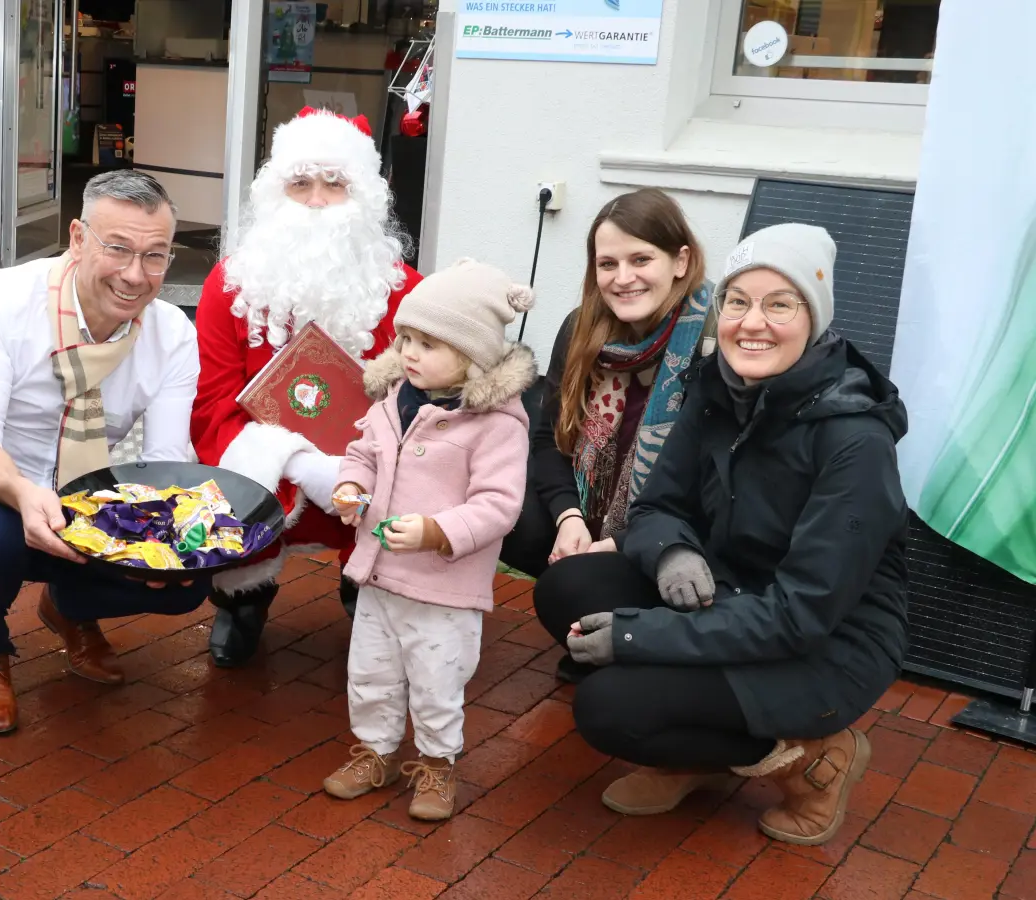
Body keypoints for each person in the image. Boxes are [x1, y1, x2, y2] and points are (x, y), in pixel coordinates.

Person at [537, 224, 906, 847]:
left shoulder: (854, 441)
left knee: (609, 708)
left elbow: (801, 614)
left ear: (813, 317)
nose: (752, 323)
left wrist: (638, 634)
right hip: (728, 589)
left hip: (825, 643)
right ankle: (696, 757)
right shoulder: (714, 389)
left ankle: (813, 760)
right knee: (566, 588)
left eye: (779, 304)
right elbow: (655, 506)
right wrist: (672, 551)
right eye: (738, 301)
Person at [0, 170, 209, 735]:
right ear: (78, 239)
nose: (135, 275)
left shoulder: (172, 332)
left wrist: (176, 535)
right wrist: (26, 495)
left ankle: (70, 607)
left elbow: (169, 456)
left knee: (189, 581)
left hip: (92, 495)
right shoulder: (4, 300)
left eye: (155, 256)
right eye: (118, 248)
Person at [191, 107, 423, 667]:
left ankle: (365, 582)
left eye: (334, 184)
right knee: (231, 477)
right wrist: (297, 462)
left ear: (364, 195)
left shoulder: (405, 290)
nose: (317, 200)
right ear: (276, 194)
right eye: (299, 184)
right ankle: (243, 595)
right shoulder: (230, 285)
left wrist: (355, 468)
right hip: (264, 461)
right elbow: (212, 403)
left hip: (368, 462)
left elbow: (421, 402)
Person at [321, 260, 536, 821]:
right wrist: (351, 485)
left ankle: (437, 762)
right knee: (369, 671)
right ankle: (377, 751)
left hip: (443, 588)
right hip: (380, 576)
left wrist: (437, 531)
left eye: (429, 344)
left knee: (437, 679)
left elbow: (498, 505)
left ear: (472, 355)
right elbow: (364, 451)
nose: (410, 353)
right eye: (407, 338)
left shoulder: (496, 424)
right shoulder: (396, 398)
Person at [515, 189, 716, 682]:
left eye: (641, 258)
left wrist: (627, 541)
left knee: (565, 590)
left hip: (675, 539)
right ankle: (598, 625)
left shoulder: (714, 345)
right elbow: (547, 441)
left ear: (680, 260)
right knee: (504, 509)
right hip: (592, 516)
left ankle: (630, 633)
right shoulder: (582, 329)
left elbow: (711, 492)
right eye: (608, 263)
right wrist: (568, 518)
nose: (622, 279)